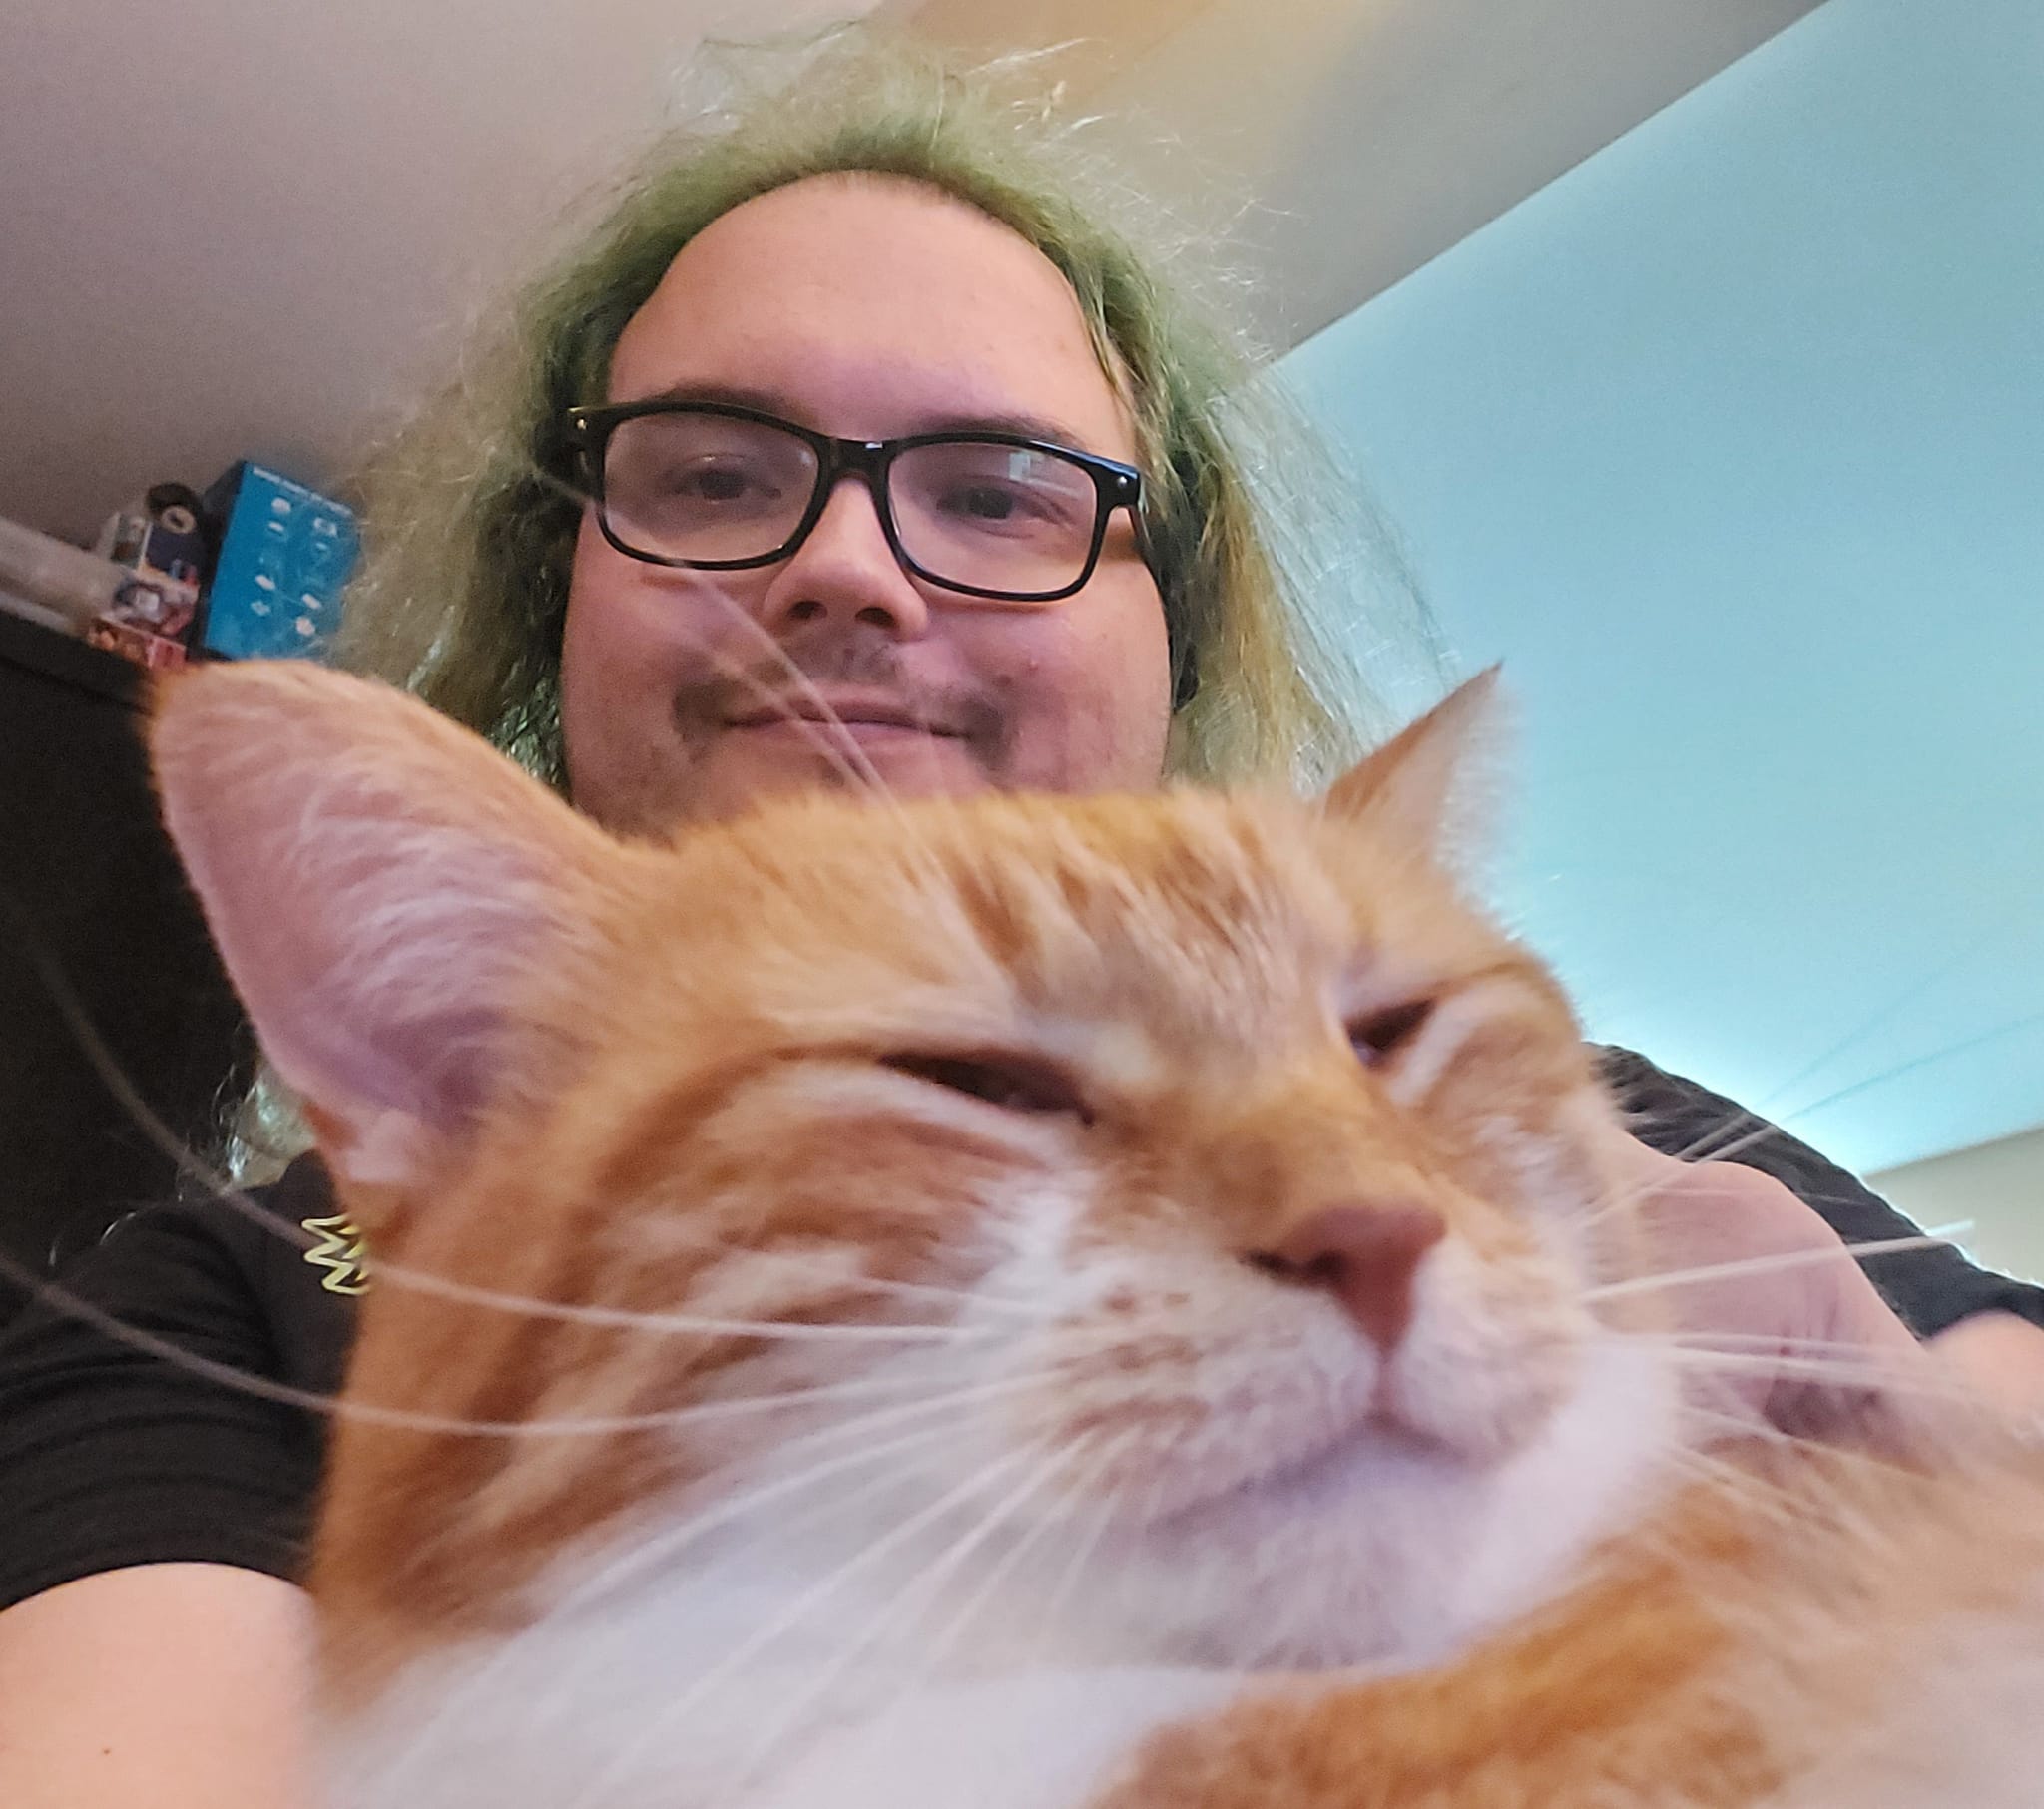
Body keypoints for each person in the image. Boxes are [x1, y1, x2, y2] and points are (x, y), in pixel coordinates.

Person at [2, 31, 2040, 1809]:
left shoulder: (1605, 1115)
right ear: (562, 594)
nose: (855, 571)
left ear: (1172, 620)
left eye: (995, 491)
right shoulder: (209, 1312)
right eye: (716, 475)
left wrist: (1899, 1408)